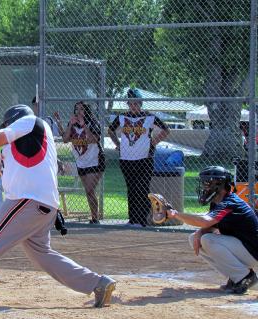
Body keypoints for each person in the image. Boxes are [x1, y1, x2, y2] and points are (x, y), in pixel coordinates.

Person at [0, 104, 116, 308]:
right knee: (42, 255)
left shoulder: (32, 122)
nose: (5, 130)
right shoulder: (10, 151)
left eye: (7, 126)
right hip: (40, 206)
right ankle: (98, 283)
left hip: (27, 202)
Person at [166, 166, 258, 294]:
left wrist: (176, 214)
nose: (204, 187)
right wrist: (200, 232)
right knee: (195, 238)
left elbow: (205, 221)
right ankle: (235, 276)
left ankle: (244, 277)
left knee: (208, 240)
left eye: (207, 183)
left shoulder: (229, 203)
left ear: (219, 184)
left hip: (253, 251)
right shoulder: (218, 202)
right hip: (244, 248)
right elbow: (212, 225)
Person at [108, 88, 170, 227]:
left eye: (136, 103)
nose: (133, 106)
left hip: (145, 159)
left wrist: (153, 142)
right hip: (126, 159)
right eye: (130, 103)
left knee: (142, 188)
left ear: (140, 103)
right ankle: (132, 219)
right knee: (131, 189)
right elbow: (110, 130)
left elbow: (166, 130)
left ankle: (141, 221)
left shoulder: (149, 117)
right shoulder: (122, 117)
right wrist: (117, 144)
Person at [53, 101, 105, 224]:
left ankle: (95, 218)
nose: (78, 112)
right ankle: (94, 217)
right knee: (89, 191)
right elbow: (65, 139)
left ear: (86, 111)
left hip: (95, 161)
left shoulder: (93, 123)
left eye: (81, 109)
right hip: (81, 162)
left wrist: (84, 125)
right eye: (76, 109)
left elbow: (93, 139)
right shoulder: (73, 124)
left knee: (89, 189)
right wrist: (69, 124)